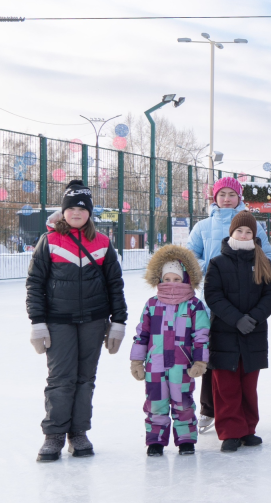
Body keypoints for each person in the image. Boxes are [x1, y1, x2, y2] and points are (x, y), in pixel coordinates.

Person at [26, 179, 128, 462]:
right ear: (64, 211)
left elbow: (115, 286)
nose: (76, 213)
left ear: (89, 213)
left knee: (85, 379)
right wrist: (37, 322)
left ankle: (78, 432)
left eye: (82, 209)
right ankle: (54, 435)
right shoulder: (49, 241)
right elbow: (35, 284)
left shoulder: (103, 243)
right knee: (61, 379)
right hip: (59, 321)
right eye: (71, 208)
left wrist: (118, 322)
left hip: (94, 321)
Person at [187, 176, 271, 433]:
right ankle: (209, 408)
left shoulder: (252, 225)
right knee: (212, 356)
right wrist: (213, 268)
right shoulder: (203, 227)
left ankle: (241, 422)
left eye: (231, 194)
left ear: (239, 197)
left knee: (240, 364)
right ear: (214, 197)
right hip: (213, 301)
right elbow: (190, 257)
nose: (226, 198)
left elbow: (267, 255)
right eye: (222, 194)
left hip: (248, 300)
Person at [203, 211, 271, 453]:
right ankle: (230, 432)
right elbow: (213, 296)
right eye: (240, 231)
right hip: (224, 333)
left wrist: (254, 318)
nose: (244, 234)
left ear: (254, 235)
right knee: (226, 386)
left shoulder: (263, 263)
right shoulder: (217, 263)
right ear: (232, 233)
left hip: (253, 334)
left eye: (249, 231)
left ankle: (247, 429)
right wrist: (236, 319)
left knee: (248, 385)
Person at [130, 246, 210, 456]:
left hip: (181, 365)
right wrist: (137, 361)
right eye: (167, 279)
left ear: (186, 279)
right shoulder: (152, 305)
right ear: (160, 279)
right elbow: (141, 334)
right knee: (155, 402)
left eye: (177, 279)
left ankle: (186, 439)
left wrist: (200, 361)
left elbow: (201, 335)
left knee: (182, 402)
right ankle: (155, 440)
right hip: (155, 365)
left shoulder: (193, 305)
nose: (172, 284)